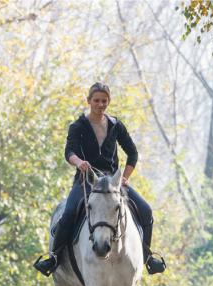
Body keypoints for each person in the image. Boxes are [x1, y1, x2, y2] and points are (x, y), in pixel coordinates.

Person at [34, 82, 166, 276]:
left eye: (104, 101)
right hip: (86, 181)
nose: (100, 104)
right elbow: (68, 151)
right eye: (96, 100)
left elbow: (132, 153)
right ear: (89, 101)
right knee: (69, 212)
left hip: (112, 182)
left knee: (145, 210)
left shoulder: (116, 125)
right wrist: (79, 163)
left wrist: (124, 178)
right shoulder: (78, 125)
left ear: (108, 102)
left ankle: (147, 257)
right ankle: (53, 257)